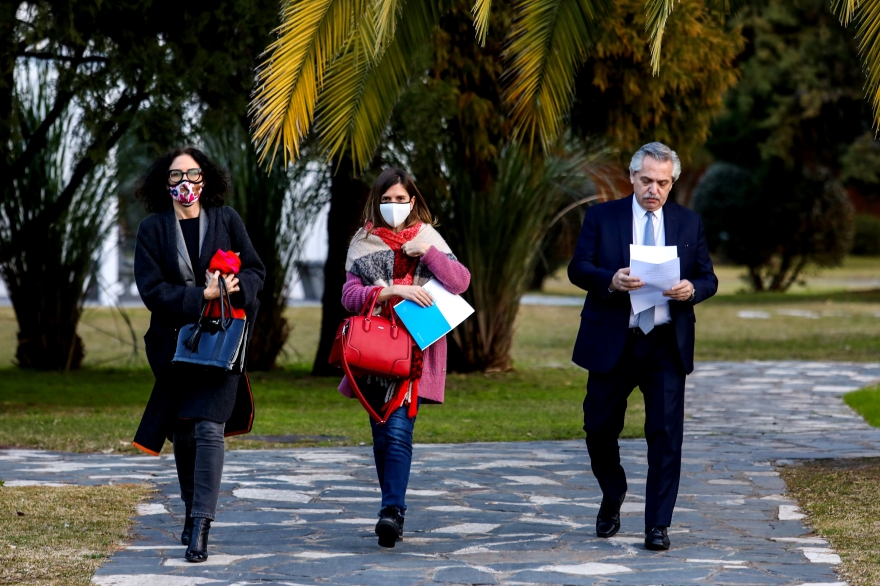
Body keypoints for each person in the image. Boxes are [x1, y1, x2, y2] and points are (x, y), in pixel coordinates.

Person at [568, 142, 717, 551]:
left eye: (663, 182)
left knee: (666, 436)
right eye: (647, 180)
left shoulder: (689, 223)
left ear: (673, 183)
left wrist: (692, 289)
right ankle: (613, 492)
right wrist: (609, 280)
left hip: (666, 344)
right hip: (613, 340)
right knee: (598, 430)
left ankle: (657, 526)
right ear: (632, 177)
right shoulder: (602, 216)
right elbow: (578, 267)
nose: (654, 189)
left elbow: (709, 277)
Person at [132, 146, 265, 562]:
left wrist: (233, 285)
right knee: (185, 433)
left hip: (221, 342)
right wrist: (200, 294)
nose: (184, 182)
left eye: (192, 174)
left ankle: (202, 525)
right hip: (174, 348)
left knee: (209, 429)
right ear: (164, 183)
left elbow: (256, 271)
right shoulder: (152, 230)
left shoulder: (226, 220)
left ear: (205, 179)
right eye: (175, 176)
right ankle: (191, 512)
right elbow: (152, 292)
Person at [339, 168, 470, 548]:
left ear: (413, 201)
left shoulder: (428, 237)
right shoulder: (362, 241)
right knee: (382, 432)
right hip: (373, 351)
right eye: (387, 199)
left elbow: (460, 282)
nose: (394, 206)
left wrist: (425, 253)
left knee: (397, 430)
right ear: (376, 202)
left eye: (401, 199)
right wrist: (391, 291)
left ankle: (392, 511)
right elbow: (348, 297)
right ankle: (390, 506)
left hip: (415, 351)